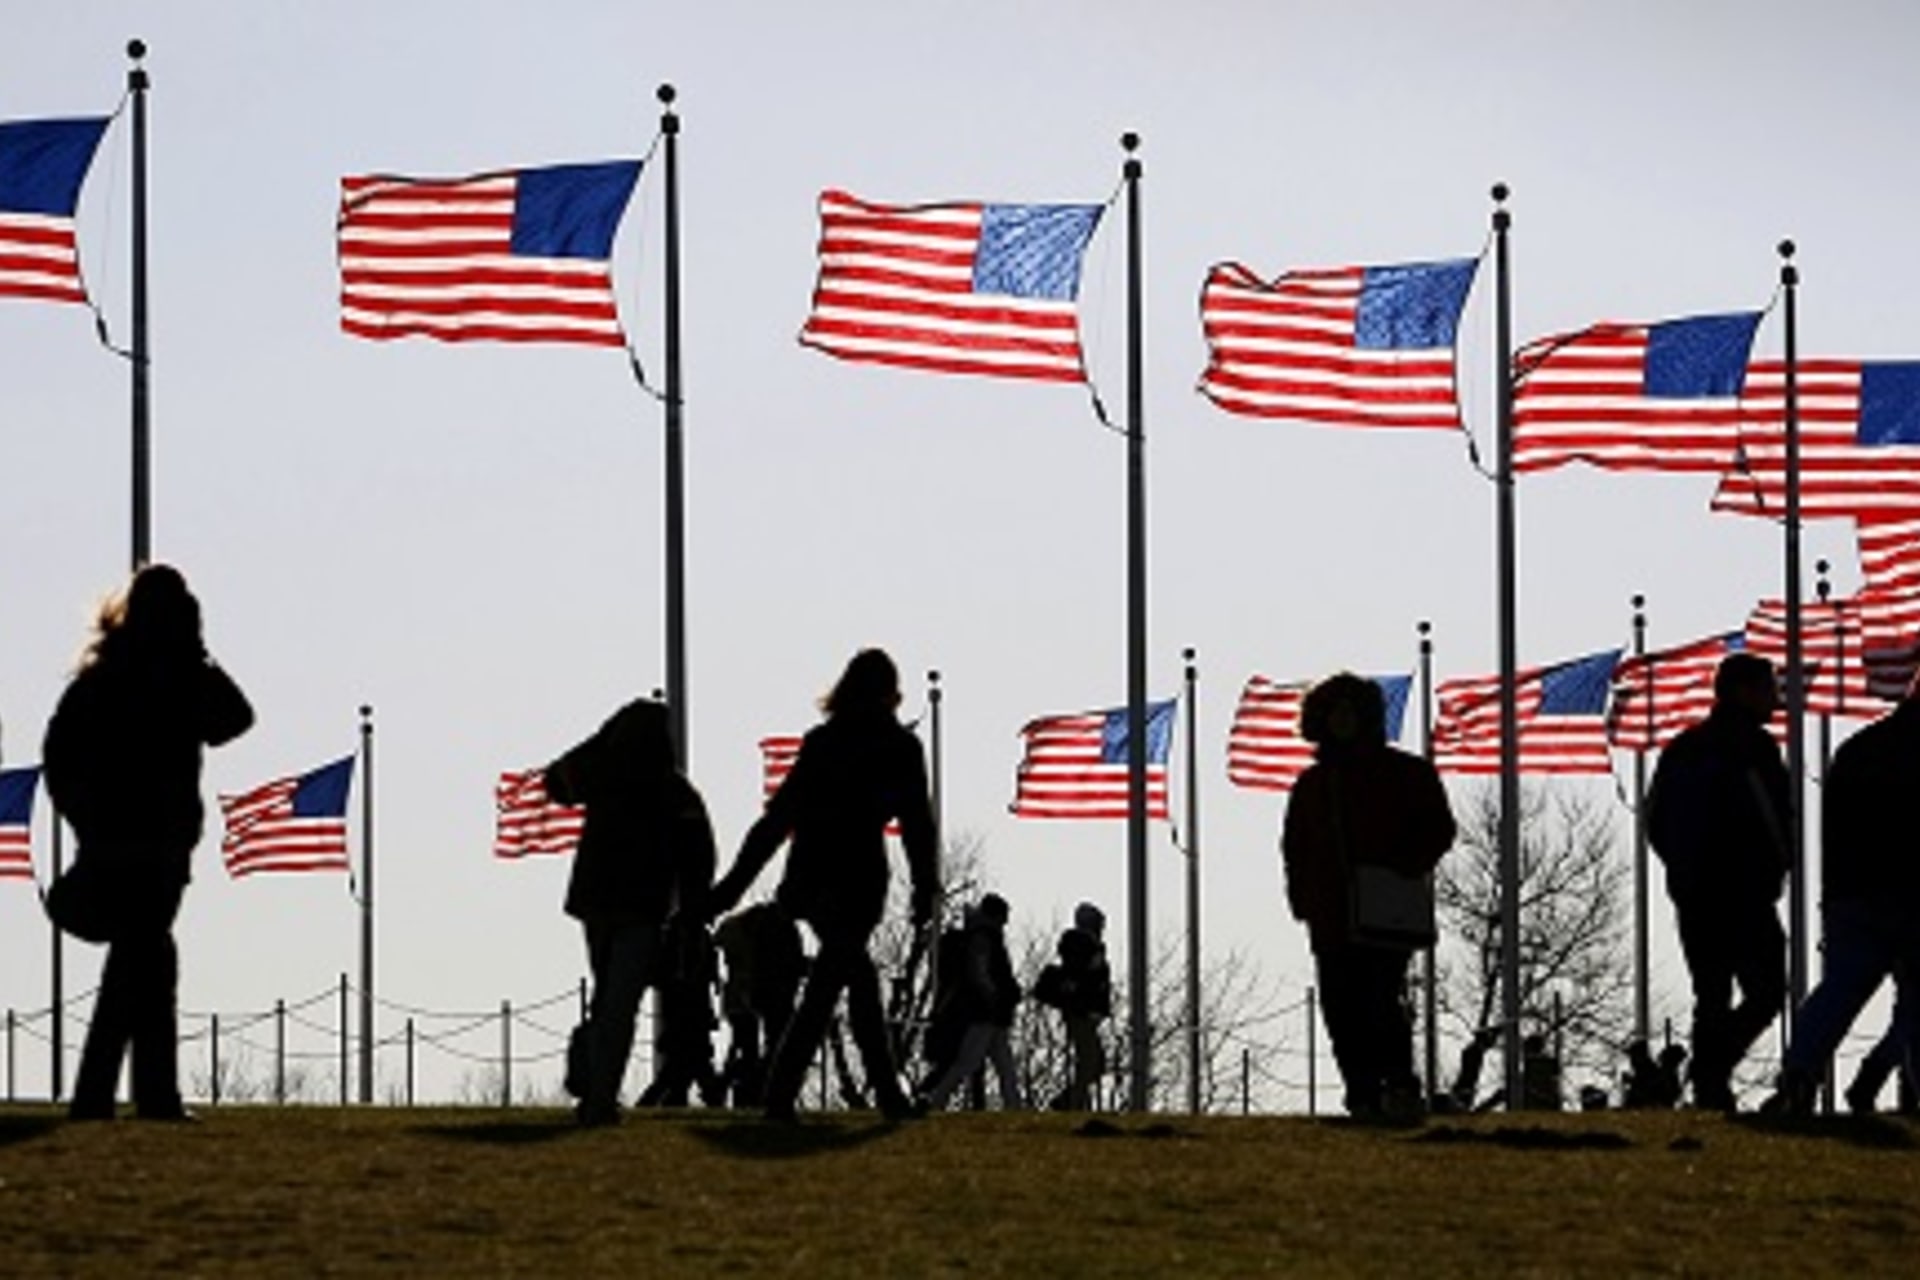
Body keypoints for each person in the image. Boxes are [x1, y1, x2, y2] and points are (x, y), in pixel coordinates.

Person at [42, 565, 254, 1121]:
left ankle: (123, 1097)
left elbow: (233, 720)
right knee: (146, 956)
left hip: (151, 845)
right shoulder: (149, 679)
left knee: (145, 957)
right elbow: (235, 718)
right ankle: (136, 1097)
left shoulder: (115, 679)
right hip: (137, 845)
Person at [706, 649, 939, 1122]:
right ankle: (785, 1094)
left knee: (854, 979)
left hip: (812, 878)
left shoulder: (824, 742)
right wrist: (924, 887)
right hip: (857, 882)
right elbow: (917, 827)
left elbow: (776, 822)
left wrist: (730, 888)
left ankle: (879, 1097)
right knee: (832, 985)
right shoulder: (898, 748)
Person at [1281, 672, 1455, 1119]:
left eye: (1349, 710)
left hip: (1385, 910)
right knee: (1339, 1006)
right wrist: (1301, 897)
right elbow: (1294, 846)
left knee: (1380, 1000)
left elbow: (1438, 828)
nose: (1342, 720)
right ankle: (1360, 1091)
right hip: (1330, 913)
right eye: (1333, 711)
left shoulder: (1406, 773)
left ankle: (1398, 1084)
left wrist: (1400, 866)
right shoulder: (1312, 785)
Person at [544, 697, 715, 1126]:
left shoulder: (604, 776)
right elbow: (700, 858)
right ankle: (598, 1095)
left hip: (601, 906)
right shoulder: (672, 789)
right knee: (617, 1004)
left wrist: (601, 740)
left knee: (610, 1002)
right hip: (639, 908)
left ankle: (595, 1085)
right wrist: (693, 913)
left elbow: (556, 780)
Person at [1766, 671, 1920, 1116]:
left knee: (1838, 991)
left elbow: (1832, 830)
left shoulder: (1858, 751)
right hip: (1910, 896)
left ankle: (1799, 1071)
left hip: (1851, 895)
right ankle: (1882, 1075)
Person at [1647, 652, 1789, 1111]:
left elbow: (1657, 822)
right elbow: (1775, 819)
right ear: (1743, 691)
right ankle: (1712, 1072)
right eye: (1768, 688)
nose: (1775, 698)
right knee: (1766, 991)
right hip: (1742, 894)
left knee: (1712, 993)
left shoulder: (1683, 748)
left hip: (1696, 895)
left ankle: (1711, 1083)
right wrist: (1776, 865)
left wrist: (1683, 874)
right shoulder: (1752, 748)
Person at [922, 893, 1025, 1110]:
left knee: (1001, 1064)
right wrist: (995, 997)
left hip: (990, 1013)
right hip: (986, 1012)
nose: (1005, 922)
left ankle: (1014, 1105)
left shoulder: (981, 935)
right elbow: (980, 973)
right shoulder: (984, 938)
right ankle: (937, 1100)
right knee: (969, 1063)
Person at [714, 901, 806, 1108]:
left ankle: (734, 1089)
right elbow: (788, 963)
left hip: (748, 998)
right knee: (771, 1048)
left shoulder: (746, 937)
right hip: (765, 997)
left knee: (749, 1050)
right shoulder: (777, 930)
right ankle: (749, 1091)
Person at [1036, 901, 1112, 1111]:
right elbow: (1084, 978)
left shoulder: (1086, 945)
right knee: (1090, 1060)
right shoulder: (1081, 944)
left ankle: (1074, 1099)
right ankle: (1071, 1101)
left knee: (1093, 1062)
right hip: (1081, 1011)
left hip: (1084, 1010)